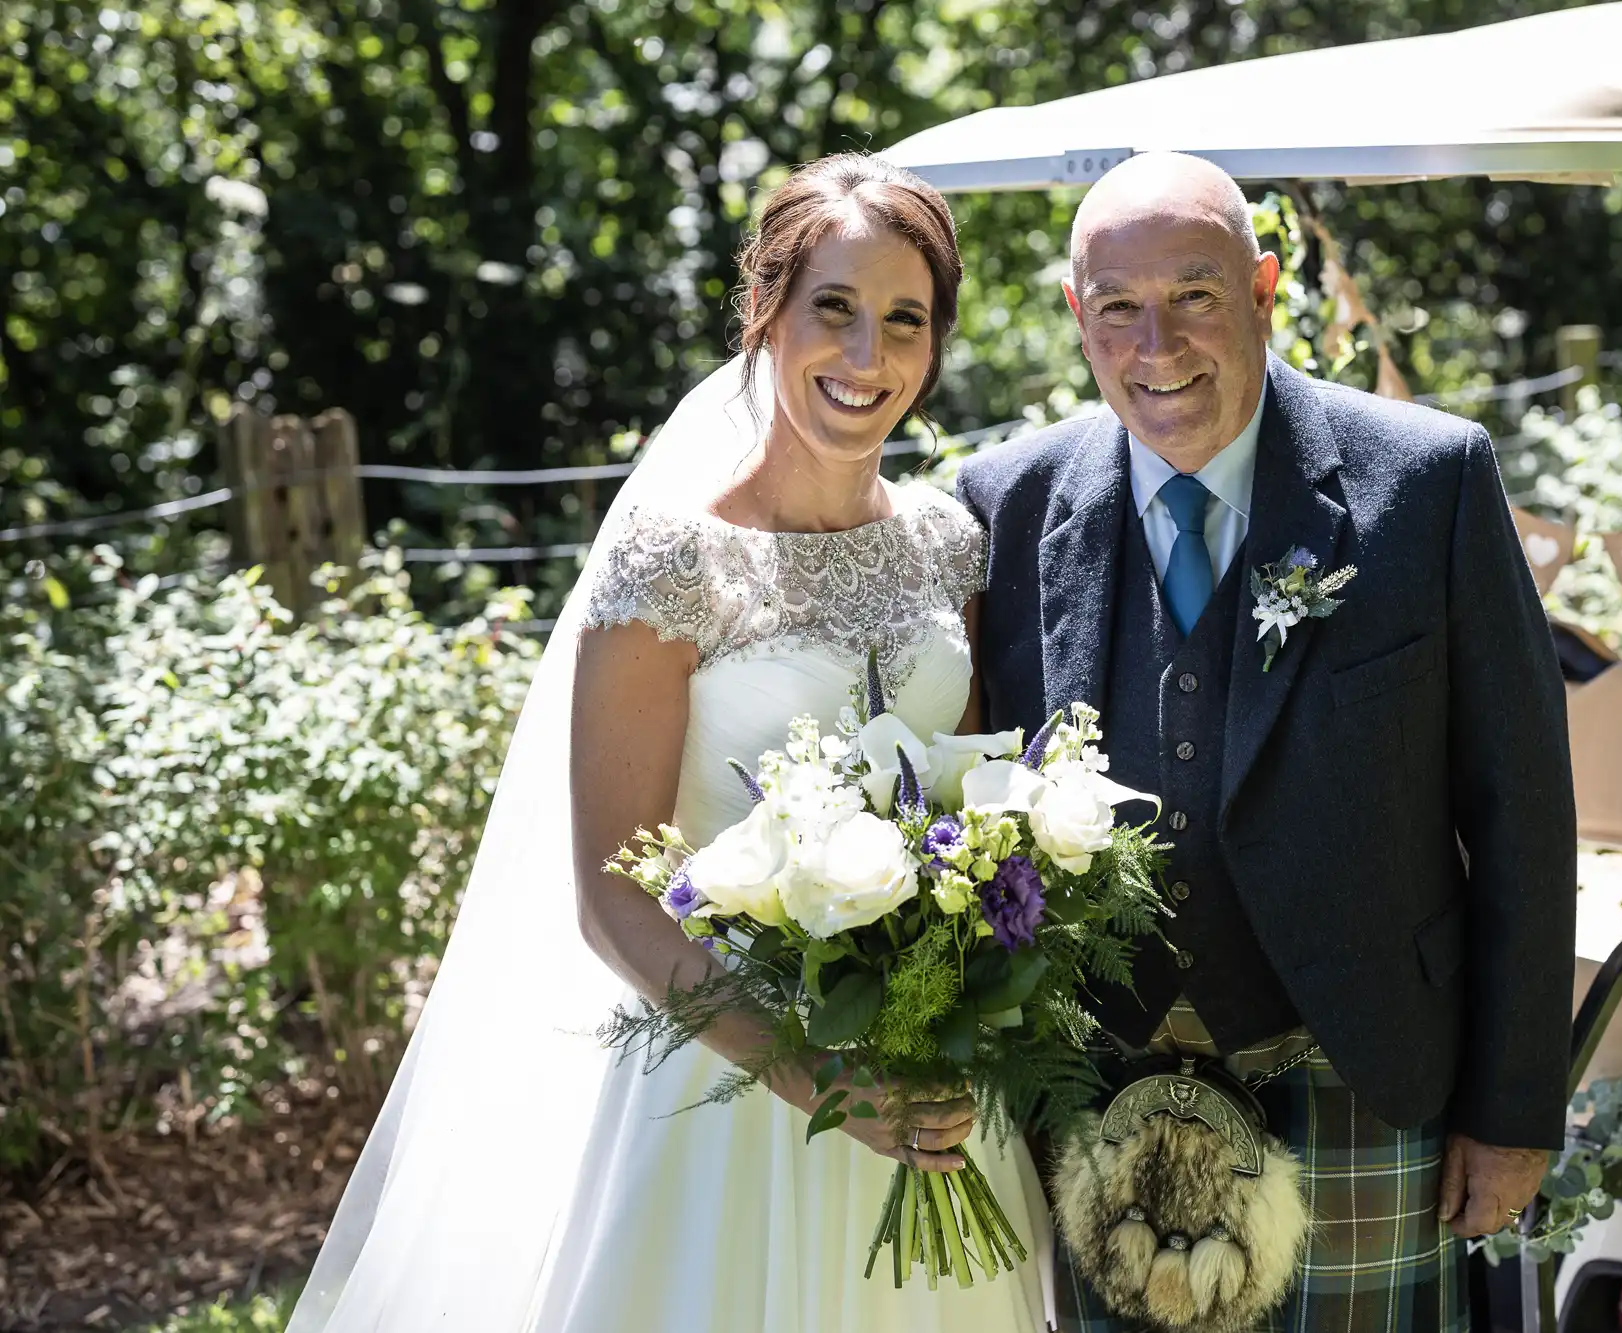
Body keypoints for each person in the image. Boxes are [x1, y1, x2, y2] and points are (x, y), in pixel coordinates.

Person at [286, 155, 1051, 1333]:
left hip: (924, 1080)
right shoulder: (670, 563)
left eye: (904, 321)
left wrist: (937, 999)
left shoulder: (950, 544)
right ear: (765, 314)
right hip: (724, 1082)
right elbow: (613, 895)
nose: (866, 359)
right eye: (831, 311)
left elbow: (953, 806)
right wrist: (821, 1077)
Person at [957, 151, 1576, 1331]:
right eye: (1117, 309)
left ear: (1263, 288)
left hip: (1359, 1072)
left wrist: (1510, 1111)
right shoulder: (1006, 500)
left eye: (1193, 295)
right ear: (1074, 314)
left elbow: (1521, 816)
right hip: (1096, 1091)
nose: (1157, 347)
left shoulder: (1425, 480)